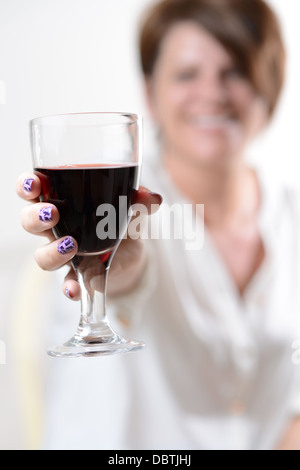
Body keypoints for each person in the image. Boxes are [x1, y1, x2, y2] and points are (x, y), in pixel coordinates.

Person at [16, 0, 300, 450]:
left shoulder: (291, 215)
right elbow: (128, 278)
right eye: (187, 74)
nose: (214, 92)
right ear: (150, 94)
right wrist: (111, 268)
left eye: (236, 72)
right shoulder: (112, 208)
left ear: (269, 86)